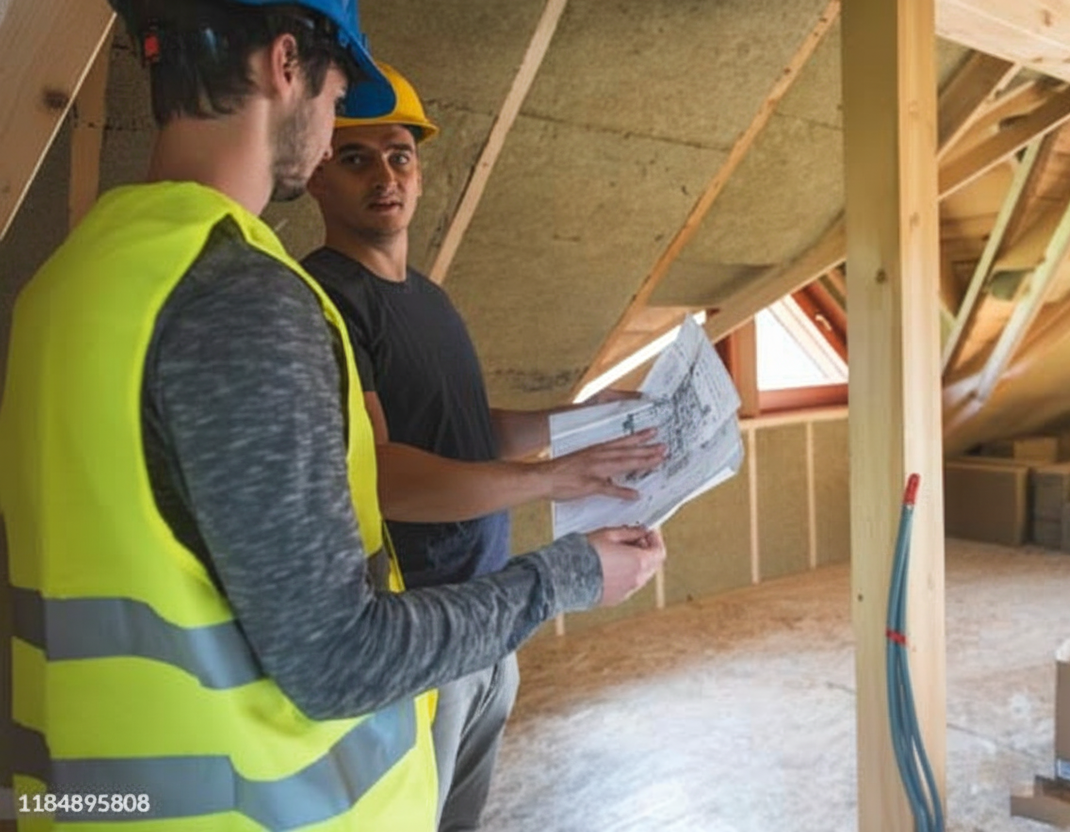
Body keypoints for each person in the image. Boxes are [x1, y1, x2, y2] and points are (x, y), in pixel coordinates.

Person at [0, 1, 665, 830]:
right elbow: (338, 660)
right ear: (287, 64)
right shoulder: (242, 300)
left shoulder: (64, 281)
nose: (334, 122)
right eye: (339, 91)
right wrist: (571, 575)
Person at [302, 62, 665, 831]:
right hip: (416, 624)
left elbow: (472, 430)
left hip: (488, 611)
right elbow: (386, 478)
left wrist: (578, 423)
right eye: (355, 157)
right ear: (315, 177)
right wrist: (550, 482)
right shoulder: (329, 297)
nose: (385, 176)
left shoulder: (426, 297)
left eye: (400, 155)